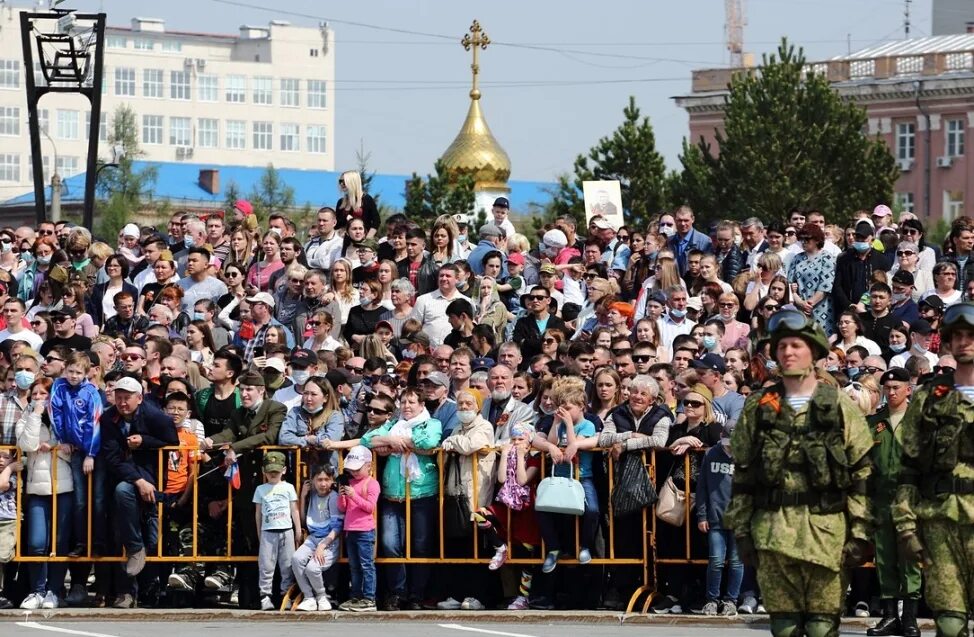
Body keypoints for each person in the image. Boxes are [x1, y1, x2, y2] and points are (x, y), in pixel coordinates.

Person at [725, 309, 874, 637]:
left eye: (796, 345)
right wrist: (741, 530)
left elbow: (861, 473)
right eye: (781, 347)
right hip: (772, 531)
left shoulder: (838, 405)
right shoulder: (759, 406)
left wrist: (861, 532)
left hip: (826, 532)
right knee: (784, 626)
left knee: (822, 628)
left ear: (815, 351)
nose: (788, 353)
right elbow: (744, 474)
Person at [894, 302, 974, 637]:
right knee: (949, 622)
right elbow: (908, 466)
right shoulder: (930, 396)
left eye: (971, 335)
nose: (964, 342)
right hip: (939, 520)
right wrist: (906, 526)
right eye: (956, 336)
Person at [98, 375, 179, 608]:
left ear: (139, 398)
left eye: (127, 398)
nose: (122, 403)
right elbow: (112, 457)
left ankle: (148, 591)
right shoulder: (108, 418)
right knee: (123, 496)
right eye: (118, 398)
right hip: (125, 479)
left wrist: (144, 441)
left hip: (153, 476)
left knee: (153, 535)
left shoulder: (156, 416)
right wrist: (137, 481)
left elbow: (171, 441)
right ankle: (134, 550)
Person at [360, 387, 442, 610]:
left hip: (421, 492)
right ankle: (398, 592)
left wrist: (397, 441)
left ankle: (416, 595)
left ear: (422, 405)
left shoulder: (431, 423)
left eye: (412, 402)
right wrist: (389, 439)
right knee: (389, 543)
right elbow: (368, 439)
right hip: (393, 494)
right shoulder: (391, 425)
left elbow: (429, 442)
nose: (406, 406)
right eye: (403, 402)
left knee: (420, 546)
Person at [866, 367, 921, 637]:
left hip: (911, 501)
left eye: (897, 387)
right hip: (881, 500)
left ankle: (909, 618)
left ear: (908, 389)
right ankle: (889, 617)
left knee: (909, 558)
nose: (891, 392)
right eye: (887, 388)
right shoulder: (874, 422)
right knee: (885, 558)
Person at [16, 377, 73, 610]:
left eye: (44, 394)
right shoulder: (27, 419)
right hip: (37, 488)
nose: (39, 398)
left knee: (59, 542)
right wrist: (36, 413)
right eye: (35, 394)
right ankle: (37, 590)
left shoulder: (63, 419)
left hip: (64, 486)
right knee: (37, 542)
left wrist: (54, 447)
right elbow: (27, 445)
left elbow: (70, 450)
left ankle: (54, 590)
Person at [537, 376, 598, 573]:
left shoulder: (587, 425)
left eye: (568, 408)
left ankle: (586, 546)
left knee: (592, 510)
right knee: (542, 509)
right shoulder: (558, 422)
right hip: (558, 476)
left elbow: (573, 445)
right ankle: (553, 548)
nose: (563, 412)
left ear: (582, 406)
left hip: (581, 477)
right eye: (560, 407)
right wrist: (556, 423)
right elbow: (552, 441)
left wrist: (570, 426)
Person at [48, 351, 103, 558]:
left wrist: (91, 453)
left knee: (97, 499)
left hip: (93, 452)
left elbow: (94, 422)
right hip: (75, 450)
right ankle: (81, 542)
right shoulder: (59, 387)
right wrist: (63, 440)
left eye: (78, 372)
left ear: (86, 373)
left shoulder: (91, 392)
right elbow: (55, 412)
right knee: (80, 500)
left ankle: (98, 542)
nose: (73, 376)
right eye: (70, 371)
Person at [696, 421, 743, 616]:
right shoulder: (711, 454)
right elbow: (702, 488)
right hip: (715, 517)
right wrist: (702, 515)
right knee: (715, 560)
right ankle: (712, 600)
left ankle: (731, 600)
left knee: (736, 561)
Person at [252, 451, 301, 611]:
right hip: (268, 530)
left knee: (287, 565)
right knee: (266, 565)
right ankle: (265, 596)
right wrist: (259, 532)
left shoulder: (288, 487)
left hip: (286, 530)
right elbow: (258, 513)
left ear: (284, 470)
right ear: (263, 471)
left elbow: (294, 509)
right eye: (270, 471)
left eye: (276, 471)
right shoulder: (260, 489)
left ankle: (285, 595)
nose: (273, 474)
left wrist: (298, 529)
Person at [337, 445, 380, 612]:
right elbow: (342, 508)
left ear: (369, 466)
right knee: (354, 566)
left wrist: (353, 495)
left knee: (367, 565)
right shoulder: (350, 483)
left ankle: (369, 598)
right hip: (350, 530)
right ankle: (356, 596)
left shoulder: (372, 483)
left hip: (365, 530)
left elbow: (370, 507)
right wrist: (342, 495)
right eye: (351, 470)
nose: (354, 473)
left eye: (357, 469)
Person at [0, 447, 19, 609]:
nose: (1, 460)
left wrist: (10, 468)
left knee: (2, 554)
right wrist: (10, 466)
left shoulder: (13, 476)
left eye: (5, 457)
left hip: (7, 522)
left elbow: (2, 484)